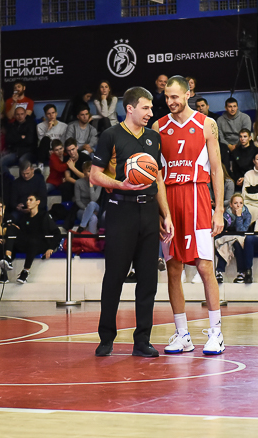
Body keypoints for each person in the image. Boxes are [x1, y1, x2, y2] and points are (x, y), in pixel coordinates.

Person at [90, 86, 173, 358]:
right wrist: (121, 185)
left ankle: (142, 341)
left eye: (151, 108)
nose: (150, 112)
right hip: (120, 211)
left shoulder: (153, 137)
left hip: (148, 212)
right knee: (114, 277)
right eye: (145, 108)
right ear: (130, 108)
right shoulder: (111, 135)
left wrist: (166, 215)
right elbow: (94, 175)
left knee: (148, 280)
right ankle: (106, 338)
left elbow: (157, 178)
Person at [158, 76, 226, 355]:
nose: (170, 101)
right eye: (167, 97)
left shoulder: (207, 123)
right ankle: (182, 334)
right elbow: (155, 173)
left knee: (204, 266)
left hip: (197, 196)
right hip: (169, 198)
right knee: (173, 268)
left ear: (188, 94)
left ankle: (216, 333)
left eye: (175, 96)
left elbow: (217, 169)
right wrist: (160, 211)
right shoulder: (158, 126)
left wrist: (219, 209)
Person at [0, 193, 62, 284]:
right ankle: (8, 259)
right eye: (27, 200)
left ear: (38, 202)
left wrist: (51, 248)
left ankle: (25, 271)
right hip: (27, 242)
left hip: (40, 243)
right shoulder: (24, 217)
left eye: (31, 200)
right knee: (11, 229)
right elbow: (20, 232)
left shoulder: (44, 215)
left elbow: (57, 233)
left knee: (33, 242)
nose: (28, 202)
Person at [217, 193, 251, 283]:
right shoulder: (225, 214)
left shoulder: (247, 215)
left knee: (236, 243)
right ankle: (219, 272)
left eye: (241, 203)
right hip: (227, 238)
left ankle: (241, 273)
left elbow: (241, 231)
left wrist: (239, 216)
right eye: (235, 203)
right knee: (225, 244)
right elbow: (222, 230)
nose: (238, 205)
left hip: (240, 237)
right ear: (231, 205)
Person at [0, 107, 37, 172]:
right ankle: (9, 177)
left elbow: (29, 141)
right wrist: (21, 137)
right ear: (14, 115)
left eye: (22, 114)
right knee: (0, 162)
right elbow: (8, 139)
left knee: (22, 161)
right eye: (17, 114)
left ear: (25, 114)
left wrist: (16, 138)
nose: (20, 116)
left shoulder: (31, 124)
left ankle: (23, 178)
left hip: (28, 152)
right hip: (15, 152)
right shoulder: (12, 125)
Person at [74, 160, 102, 234]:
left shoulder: (99, 182)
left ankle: (82, 226)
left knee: (92, 203)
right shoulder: (78, 183)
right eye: (89, 171)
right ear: (84, 171)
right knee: (93, 218)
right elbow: (78, 201)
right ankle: (91, 238)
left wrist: (91, 185)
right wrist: (87, 209)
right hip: (82, 209)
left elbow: (94, 199)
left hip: (96, 207)